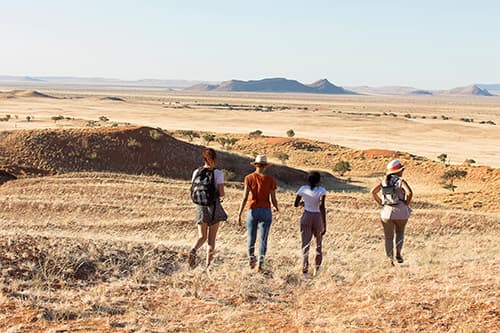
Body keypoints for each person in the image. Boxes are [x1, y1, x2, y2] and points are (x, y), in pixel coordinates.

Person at [237, 155, 279, 272]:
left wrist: (239, 214)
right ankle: (260, 264)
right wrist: (277, 208)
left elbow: (245, 197)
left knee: (251, 237)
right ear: (265, 166)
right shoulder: (270, 180)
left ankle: (251, 260)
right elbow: (273, 198)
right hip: (265, 210)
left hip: (252, 209)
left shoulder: (249, 178)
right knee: (263, 239)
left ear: (255, 165)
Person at [189, 148, 227, 268]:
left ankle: (193, 250)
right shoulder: (218, 173)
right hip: (214, 207)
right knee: (211, 240)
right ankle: (208, 266)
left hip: (200, 207)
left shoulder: (196, 172)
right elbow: (221, 193)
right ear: (215, 159)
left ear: (204, 158)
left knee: (202, 236)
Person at [370, 159, 413, 265]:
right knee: (400, 232)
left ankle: (390, 260)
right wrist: (406, 203)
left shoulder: (384, 181)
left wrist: (381, 203)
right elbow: (409, 192)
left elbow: (373, 192)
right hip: (401, 211)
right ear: (399, 171)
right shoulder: (400, 181)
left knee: (388, 237)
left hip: (386, 211)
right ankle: (398, 253)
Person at [294, 171, 326, 278]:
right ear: (319, 180)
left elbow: (295, 204)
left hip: (306, 215)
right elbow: (322, 206)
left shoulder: (303, 189)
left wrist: (304, 203)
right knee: (318, 244)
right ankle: (317, 269)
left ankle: (305, 271)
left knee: (305, 244)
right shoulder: (321, 190)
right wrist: (324, 222)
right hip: (317, 216)